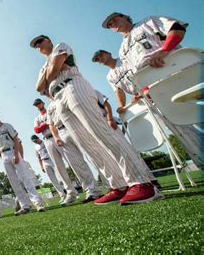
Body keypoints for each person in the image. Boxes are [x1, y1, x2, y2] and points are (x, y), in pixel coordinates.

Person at [30, 34, 162, 205]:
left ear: (48, 40)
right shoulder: (43, 66)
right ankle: (118, 185)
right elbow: (39, 87)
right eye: (36, 45)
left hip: (73, 86)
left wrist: (51, 72)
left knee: (101, 133)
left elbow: (55, 70)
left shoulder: (60, 46)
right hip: (57, 98)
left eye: (40, 41)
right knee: (87, 144)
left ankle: (142, 182)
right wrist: (50, 72)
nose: (39, 46)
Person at [95, 13, 204, 168]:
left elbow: (177, 28)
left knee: (198, 114)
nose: (112, 23)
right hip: (157, 89)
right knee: (181, 126)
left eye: (114, 19)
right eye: (109, 25)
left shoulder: (147, 22)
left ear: (125, 17)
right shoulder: (122, 50)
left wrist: (164, 50)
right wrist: (143, 91)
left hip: (181, 74)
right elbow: (136, 75)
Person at [33, 98, 102, 204]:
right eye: (36, 105)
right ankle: (70, 192)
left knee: (73, 162)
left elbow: (54, 122)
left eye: (39, 103)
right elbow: (36, 130)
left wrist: (45, 125)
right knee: (59, 167)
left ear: (42, 103)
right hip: (47, 140)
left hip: (58, 135)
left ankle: (89, 187)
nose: (38, 106)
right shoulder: (37, 118)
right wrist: (45, 125)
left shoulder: (50, 111)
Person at [0, 111, 45, 214]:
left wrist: (16, 154)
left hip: (12, 150)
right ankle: (25, 205)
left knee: (24, 178)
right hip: (4, 155)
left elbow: (16, 139)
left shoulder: (7, 126)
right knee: (14, 182)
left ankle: (37, 203)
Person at [30, 135, 66, 200]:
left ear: (38, 138)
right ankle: (62, 195)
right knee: (53, 180)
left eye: (35, 140)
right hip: (44, 161)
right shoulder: (36, 147)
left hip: (52, 159)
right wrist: (41, 167)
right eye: (33, 141)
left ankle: (70, 192)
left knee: (61, 176)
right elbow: (38, 158)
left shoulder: (45, 141)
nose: (35, 142)